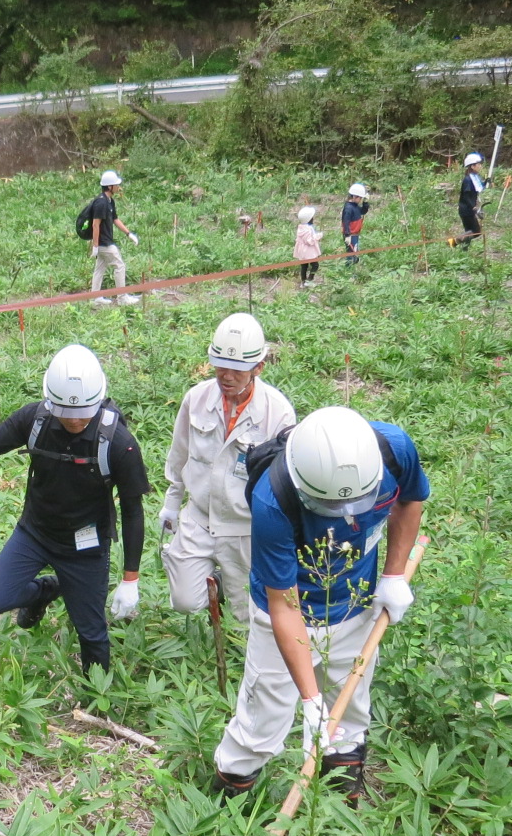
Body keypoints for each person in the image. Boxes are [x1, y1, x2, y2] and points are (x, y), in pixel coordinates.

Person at [213, 405, 430, 803]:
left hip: (356, 602)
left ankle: (343, 788)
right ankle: (231, 793)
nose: (345, 517)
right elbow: (284, 606)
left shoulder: (393, 449)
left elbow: (411, 501)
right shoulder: (272, 499)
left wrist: (394, 576)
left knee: (350, 705)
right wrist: (311, 700)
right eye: (329, 507)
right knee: (263, 719)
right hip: (287, 612)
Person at [0, 344, 151, 676]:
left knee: (91, 633)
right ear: (50, 400)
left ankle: (97, 697)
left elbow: (133, 511)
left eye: (82, 413)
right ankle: (46, 590)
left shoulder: (119, 443)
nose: (74, 420)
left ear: (99, 400)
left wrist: (130, 578)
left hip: (85, 546)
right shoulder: (34, 419)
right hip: (35, 532)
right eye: (65, 411)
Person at [161, 314, 297, 625]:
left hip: (244, 528)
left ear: (258, 367)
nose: (227, 376)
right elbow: (179, 455)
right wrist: (171, 505)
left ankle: (224, 586)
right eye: (220, 366)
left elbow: (284, 482)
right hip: (199, 517)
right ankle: (211, 582)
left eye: (237, 370)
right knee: (185, 602)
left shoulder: (277, 412)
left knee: (246, 616)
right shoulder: (196, 399)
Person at [83, 170, 140, 306]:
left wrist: (129, 234)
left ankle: (95, 297)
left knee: (100, 268)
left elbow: (115, 219)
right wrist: (95, 246)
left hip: (104, 242)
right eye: (116, 185)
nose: (118, 187)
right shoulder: (101, 203)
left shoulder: (109, 201)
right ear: (109, 187)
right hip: (104, 243)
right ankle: (122, 298)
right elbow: (95, 225)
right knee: (119, 265)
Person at [457, 153, 485, 246]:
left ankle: (464, 249)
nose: (480, 166)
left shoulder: (474, 177)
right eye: (478, 164)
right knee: (475, 231)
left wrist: (486, 182)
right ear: (472, 166)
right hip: (466, 209)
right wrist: (474, 207)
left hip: (469, 209)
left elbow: (479, 188)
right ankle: (453, 241)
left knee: (471, 231)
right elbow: (466, 196)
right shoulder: (468, 179)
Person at [341, 183, 369, 266]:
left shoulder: (355, 206)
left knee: (355, 253)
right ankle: (349, 272)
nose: (360, 200)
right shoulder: (348, 208)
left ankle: (353, 270)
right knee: (351, 254)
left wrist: (365, 203)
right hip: (351, 235)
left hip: (355, 234)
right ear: (354, 196)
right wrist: (347, 235)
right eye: (360, 198)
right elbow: (345, 222)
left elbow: (363, 211)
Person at [293, 205, 321, 285]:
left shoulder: (301, 227)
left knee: (304, 267)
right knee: (315, 265)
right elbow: (310, 241)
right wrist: (318, 236)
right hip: (309, 251)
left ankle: (303, 282)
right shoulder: (307, 229)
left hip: (302, 251)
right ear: (309, 219)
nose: (313, 219)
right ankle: (309, 280)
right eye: (312, 217)